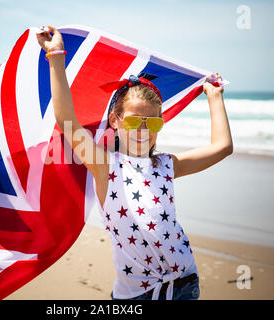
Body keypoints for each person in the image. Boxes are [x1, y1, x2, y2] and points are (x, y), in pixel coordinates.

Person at [36, 25, 233, 300]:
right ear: (115, 121)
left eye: (152, 122)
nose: (142, 130)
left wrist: (215, 98)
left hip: (184, 283)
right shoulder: (104, 164)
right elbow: (67, 121)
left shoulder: (166, 165)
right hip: (136, 294)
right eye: (132, 121)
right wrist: (56, 57)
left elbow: (223, 147)